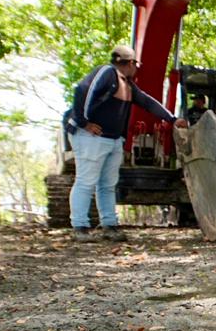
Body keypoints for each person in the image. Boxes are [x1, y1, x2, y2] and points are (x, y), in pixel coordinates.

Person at [67, 44, 187, 242]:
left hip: (112, 139)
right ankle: (80, 226)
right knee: (86, 181)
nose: (137, 69)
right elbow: (82, 90)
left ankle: (109, 225)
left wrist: (172, 119)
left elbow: (147, 102)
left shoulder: (127, 84)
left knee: (107, 185)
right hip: (91, 138)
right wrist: (84, 122)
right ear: (130, 63)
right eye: (136, 65)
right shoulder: (107, 73)